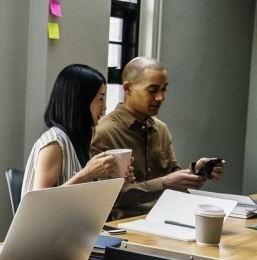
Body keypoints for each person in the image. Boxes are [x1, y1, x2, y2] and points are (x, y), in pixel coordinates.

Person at [91, 56, 225, 220]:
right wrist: (164, 183)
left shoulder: (160, 129)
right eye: (153, 90)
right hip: (123, 226)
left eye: (164, 89)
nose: (161, 97)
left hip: (165, 218)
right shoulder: (103, 133)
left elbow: (172, 174)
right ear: (128, 88)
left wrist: (196, 171)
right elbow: (105, 197)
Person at [22, 64, 134, 193]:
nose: (104, 106)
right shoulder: (54, 144)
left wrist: (118, 181)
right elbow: (38, 203)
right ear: (81, 101)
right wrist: (87, 174)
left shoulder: (78, 138)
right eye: (101, 99)